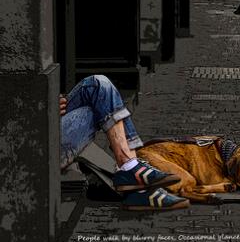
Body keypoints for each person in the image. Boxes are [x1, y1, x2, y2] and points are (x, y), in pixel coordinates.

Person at [60, 75, 189, 210]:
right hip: (41, 145)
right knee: (102, 98)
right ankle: (133, 175)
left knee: (100, 87)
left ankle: (132, 170)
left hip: (47, 121)